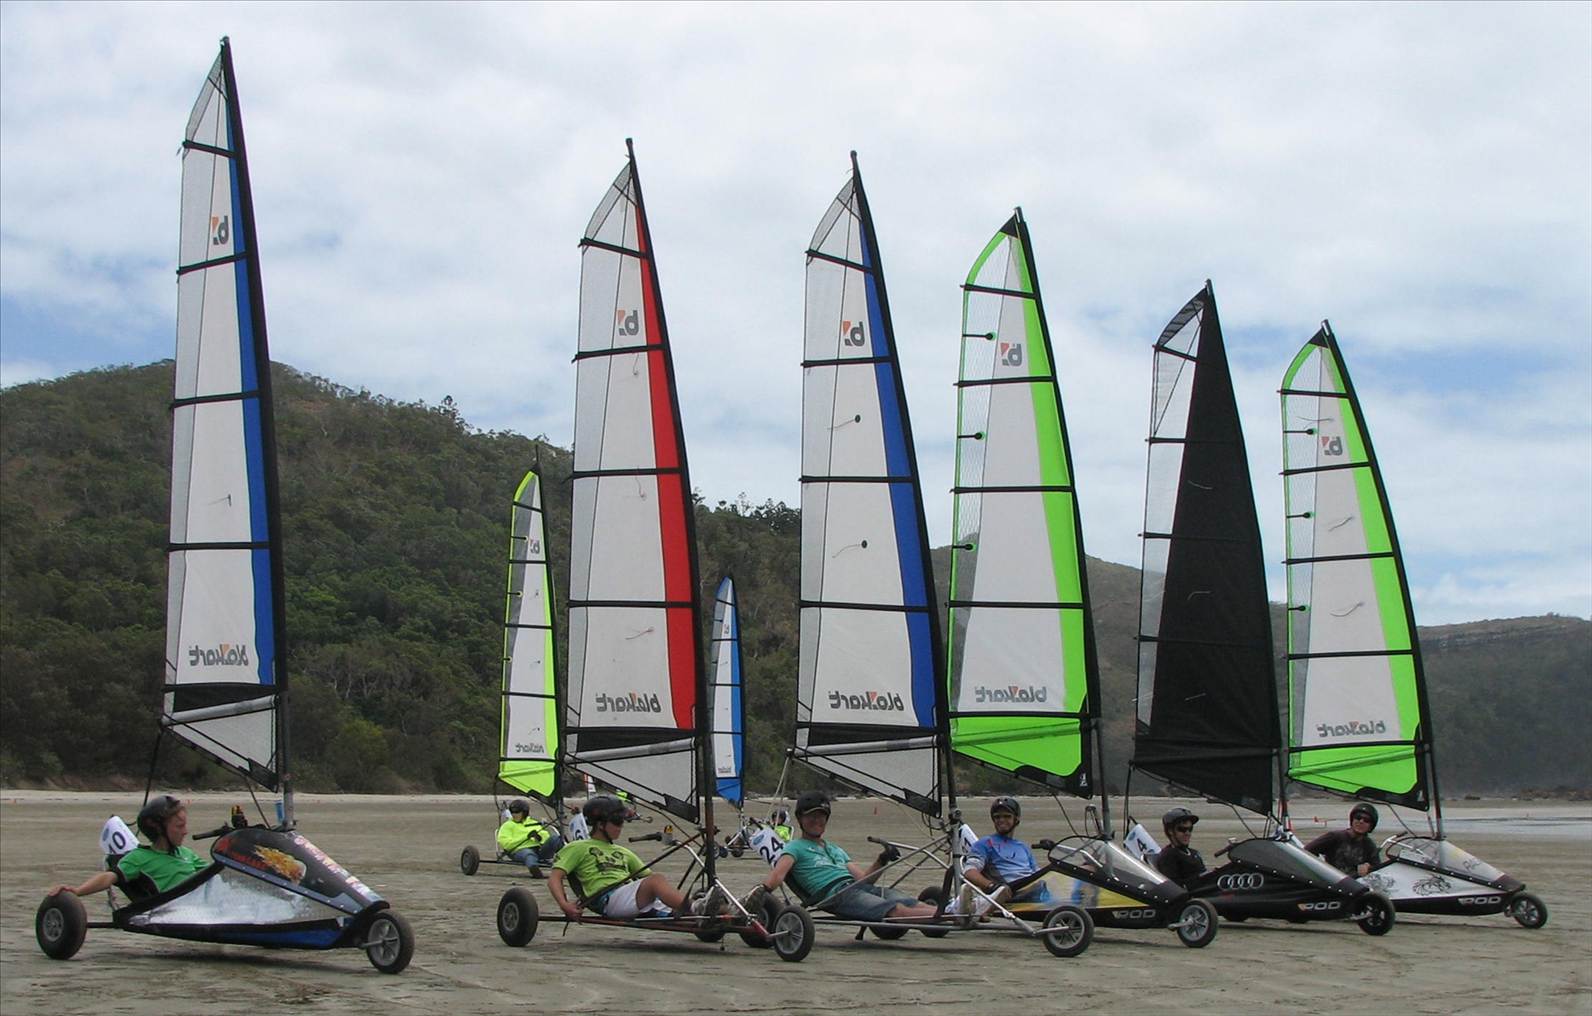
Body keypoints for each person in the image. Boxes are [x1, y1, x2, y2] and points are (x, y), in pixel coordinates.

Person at [741, 791, 942, 922]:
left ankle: (956, 910)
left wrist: (881, 859)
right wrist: (761, 891)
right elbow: (778, 875)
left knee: (909, 901)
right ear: (801, 819)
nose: (816, 820)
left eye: (820, 816)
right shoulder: (795, 847)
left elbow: (863, 879)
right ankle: (951, 914)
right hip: (835, 896)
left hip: (858, 888)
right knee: (896, 911)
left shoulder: (835, 849)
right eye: (811, 816)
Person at [548, 795, 719, 920]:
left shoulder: (623, 852)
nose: (621, 826)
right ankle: (696, 908)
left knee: (668, 896)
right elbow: (554, 878)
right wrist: (565, 905)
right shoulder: (578, 848)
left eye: (622, 821)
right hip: (606, 899)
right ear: (600, 824)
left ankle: (730, 911)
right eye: (617, 822)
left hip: (629, 897)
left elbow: (647, 879)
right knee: (656, 881)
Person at [47, 795, 209, 901]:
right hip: (181, 908)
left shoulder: (186, 854)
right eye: (179, 826)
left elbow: (216, 873)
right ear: (159, 829)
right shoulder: (139, 858)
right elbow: (109, 877)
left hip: (208, 902)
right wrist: (77, 891)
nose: (185, 831)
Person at [963, 797, 1039, 905]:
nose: (1001, 820)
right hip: (1010, 894)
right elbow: (969, 872)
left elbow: (1038, 874)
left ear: (1016, 819)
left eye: (1007, 816)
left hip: (1032, 893)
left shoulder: (1023, 847)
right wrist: (991, 886)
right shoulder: (985, 843)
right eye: (997, 817)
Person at [1304, 803, 1382, 876]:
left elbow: (1377, 868)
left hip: (1354, 884)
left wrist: (1368, 867)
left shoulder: (1369, 845)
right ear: (1352, 820)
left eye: (1366, 820)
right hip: (1331, 880)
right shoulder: (1335, 836)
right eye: (1358, 818)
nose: (1361, 821)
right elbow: (1306, 851)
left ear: (1371, 826)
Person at [497, 798, 565, 875]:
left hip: (539, 851)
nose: (514, 814)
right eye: (512, 812)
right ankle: (534, 869)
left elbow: (545, 835)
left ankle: (569, 860)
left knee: (555, 839)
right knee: (528, 854)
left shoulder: (533, 823)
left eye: (517, 812)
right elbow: (506, 844)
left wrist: (539, 837)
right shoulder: (507, 825)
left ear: (525, 812)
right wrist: (526, 837)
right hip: (518, 851)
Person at [1153, 807, 1206, 887]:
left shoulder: (1194, 853)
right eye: (1182, 829)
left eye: (1190, 829)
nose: (1187, 833)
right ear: (1170, 831)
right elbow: (1174, 887)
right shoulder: (1168, 856)